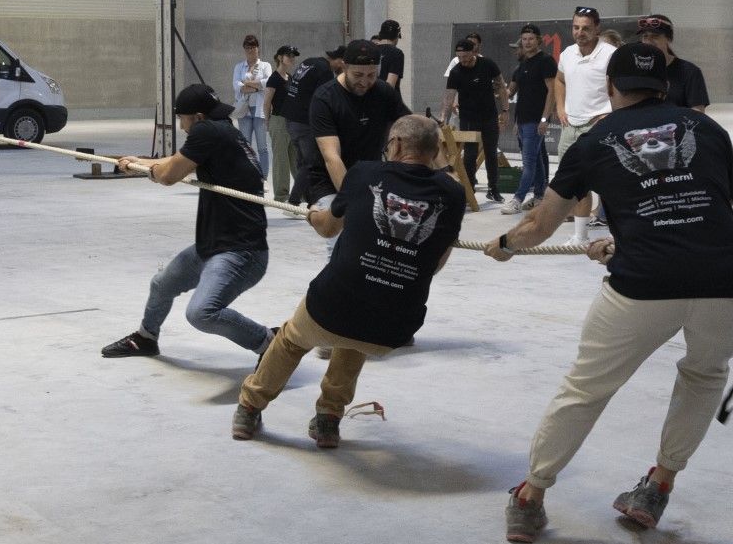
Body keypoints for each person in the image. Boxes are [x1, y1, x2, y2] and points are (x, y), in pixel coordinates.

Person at [489, 42, 733, 540]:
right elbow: (705, 210)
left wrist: (506, 244)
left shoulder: (595, 140)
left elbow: (538, 225)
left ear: (611, 88)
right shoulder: (709, 130)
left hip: (645, 286)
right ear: (664, 84)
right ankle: (658, 487)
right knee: (704, 375)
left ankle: (530, 497)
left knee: (587, 387)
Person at [232, 114, 464, 448]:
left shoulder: (365, 174)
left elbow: (328, 228)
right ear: (436, 150)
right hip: (395, 327)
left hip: (333, 307)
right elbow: (436, 264)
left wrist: (314, 215)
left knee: (292, 339)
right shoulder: (453, 196)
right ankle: (328, 418)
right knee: (357, 329)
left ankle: (249, 406)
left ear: (396, 145)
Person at [101, 84, 271, 361]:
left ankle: (271, 342)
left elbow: (168, 175)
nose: (181, 126)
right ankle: (146, 338)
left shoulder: (207, 131)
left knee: (201, 312)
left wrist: (152, 171)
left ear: (198, 118)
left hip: (241, 252)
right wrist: (141, 161)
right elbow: (181, 159)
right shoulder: (223, 130)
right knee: (162, 284)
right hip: (215, 245)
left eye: (183, 119)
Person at [304, 40, 411, 209]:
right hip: (328, 180)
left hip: (371, 176)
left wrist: (443, 170)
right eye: (358, 75)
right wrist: (352, 200)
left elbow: (412, 127)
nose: (364, 82)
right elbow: (332, 157)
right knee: (336, 228)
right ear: (344, 67)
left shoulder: (383, 91)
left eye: (371, 75)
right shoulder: (325, 98)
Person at [556, 7, 615, 242]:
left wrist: (609, 115)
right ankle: (581, 237)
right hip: (570, 127)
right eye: (576, 27)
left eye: (586, 28)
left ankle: (620, 236)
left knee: (609, 183)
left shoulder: (611, 54)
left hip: (599, 126)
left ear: (597, 28)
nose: (580, 32)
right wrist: (560, 108)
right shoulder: (567, 53)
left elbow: (620, 88)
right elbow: (559, 80)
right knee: (576, 183)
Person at [502, 24, 558, 216]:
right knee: (538, 161)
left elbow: (552, 91)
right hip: (522, 120)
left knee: (529, 162)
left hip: (536, 120)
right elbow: (510, 92)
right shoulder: (522, 65)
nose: (527, 42)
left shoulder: (546, 61)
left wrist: (544, 118)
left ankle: (518, 198)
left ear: (539, 40)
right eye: (524, 39)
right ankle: (540, 197)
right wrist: (495, 88)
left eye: (531, 39)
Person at [444, 37, 505, 205]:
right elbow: (449, 97)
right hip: (469, 118)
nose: (463, 60)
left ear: (474, 52)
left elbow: (501, 85)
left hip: (489, 116)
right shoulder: (456, 71)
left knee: (491, 152)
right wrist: (444, 119)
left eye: (466, 57)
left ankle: (493, 189)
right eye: (460, 57)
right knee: (470, 155)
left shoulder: (488, 64)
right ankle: (469, 188)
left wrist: (505, 110)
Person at [279, 45, 343, 206]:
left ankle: (309, 201)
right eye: (343, 65)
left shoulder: (309, 62)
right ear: (340, 60)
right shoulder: (325, 71)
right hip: (304, 121)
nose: (342, 69)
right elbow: (325, 97)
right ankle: (293, 202)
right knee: (310, 163)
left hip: (290, 119)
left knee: (302, 162)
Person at [636, 14, 709, 113]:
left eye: (655, 36)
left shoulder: (689, 72)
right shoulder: (637, 71)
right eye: (645, 36)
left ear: (669, 39)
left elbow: (698, 113)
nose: (648, 42)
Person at [229, 34, 273, 183]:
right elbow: (237, 86)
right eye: (247, 47)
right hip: (245, 111)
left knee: (262, 147)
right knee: (245, 146)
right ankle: (246, 177)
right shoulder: (239, 67)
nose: (250, 50)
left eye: (253, 47)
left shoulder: (265, 66)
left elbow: (268, 83)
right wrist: (256, 87)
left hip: (260, 111)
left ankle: (263, 178)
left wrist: (249, 84)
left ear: (257, 48)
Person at [263, 45, 301, 205]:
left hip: (292, 122)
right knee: (281, 160)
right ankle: (281, 196)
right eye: (289, 55)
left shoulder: (290, 77)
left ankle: (302, 192)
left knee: (296, 159)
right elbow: (267, 102)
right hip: (278, 121)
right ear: (280, 58)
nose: (292, 58)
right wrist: (267, 120)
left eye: (293, 56)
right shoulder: (274, 78)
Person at [373, 20, 406, 90]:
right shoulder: (397, 53)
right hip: (389, 98)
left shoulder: (371, 50)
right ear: (397, 35)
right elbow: (390, 85)